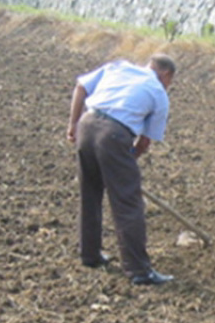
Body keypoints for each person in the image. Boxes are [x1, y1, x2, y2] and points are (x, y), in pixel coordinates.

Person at [66, 54, 177, 285]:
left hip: (87, 124)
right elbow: (145, 141)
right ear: (166, 75)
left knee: (91, 193)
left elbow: (80, 87)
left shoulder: (117, 68)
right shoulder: (158, 93)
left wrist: (73, 126)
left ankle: (90, 255)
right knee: (128, 203)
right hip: (114, 135)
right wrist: (126, 160)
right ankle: (139, 271)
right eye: (170, 82)